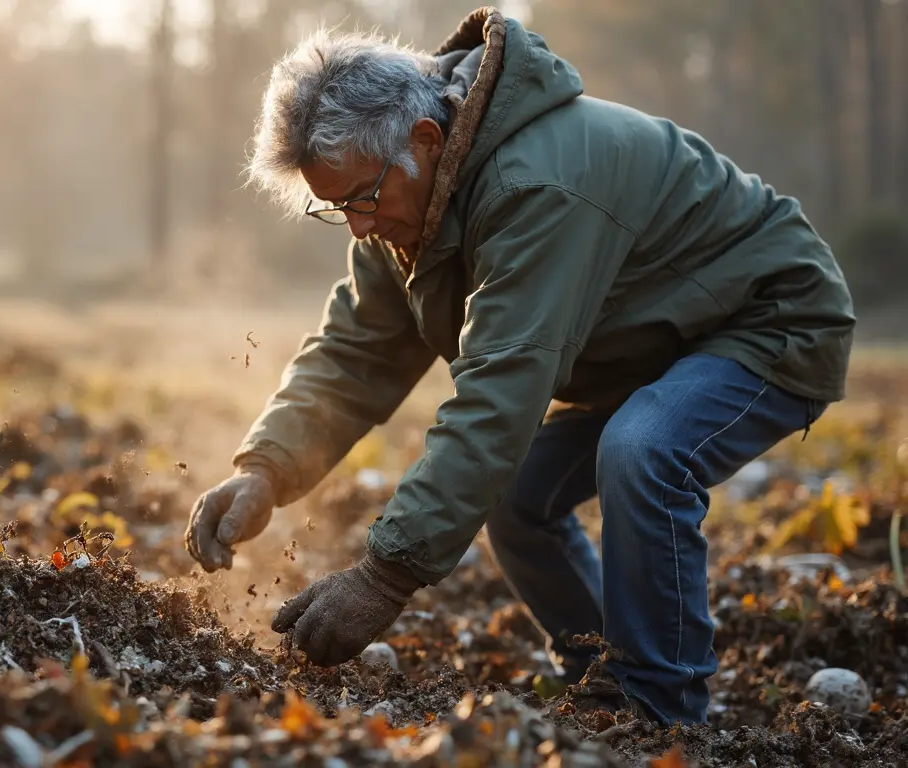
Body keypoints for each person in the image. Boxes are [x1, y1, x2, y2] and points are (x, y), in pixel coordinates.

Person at [183, 7, 855, 726]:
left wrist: (384, 575)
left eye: (361, 200)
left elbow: (500, 396)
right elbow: (358, 348)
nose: (358, 226)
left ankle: (658, 701)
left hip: (767, 318)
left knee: (645, 448)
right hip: (655, 339)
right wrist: (266, 469)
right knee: (518, 494)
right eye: (334, 209)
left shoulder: (536, 185)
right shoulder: (401, 193)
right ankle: (600, 667)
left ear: (426, 138)